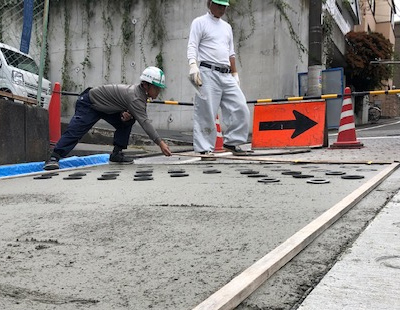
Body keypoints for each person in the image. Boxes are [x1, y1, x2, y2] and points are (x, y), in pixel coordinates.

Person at [43, 66, 172, 170]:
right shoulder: (136, 97)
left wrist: (124, 114)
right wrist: (160, 143)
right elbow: (144, 122)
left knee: (128, 120)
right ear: (146, 85)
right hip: (90, 103)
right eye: (157, 88)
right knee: (76, 130)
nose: (158, 92)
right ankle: (54, 157)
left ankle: (116, 154)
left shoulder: (139, 95)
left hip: (107, 108)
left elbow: (120, 105)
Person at [187, 0, 251, 159]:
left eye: (224, 6)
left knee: (240, 106)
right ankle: (204, 149)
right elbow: (192, 45)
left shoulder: (227, 27)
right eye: (219, 5)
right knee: (206, 112)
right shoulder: (199, 22)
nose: (222, 9)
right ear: (209, 3)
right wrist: (193, 65)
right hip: (207, 71)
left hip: (226, 73)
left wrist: (235, 74)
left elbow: (231, 54)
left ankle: (233, 141)